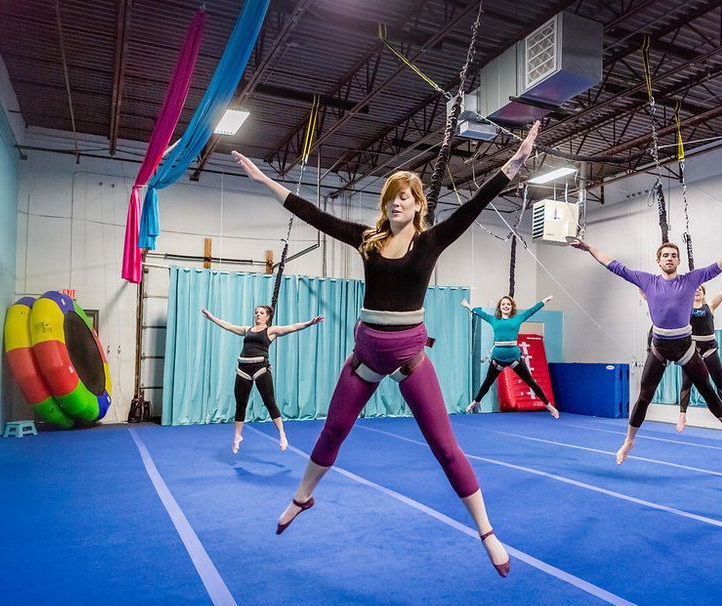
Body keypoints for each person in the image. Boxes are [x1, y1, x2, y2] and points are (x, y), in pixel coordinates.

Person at [231, 120, 540, 577]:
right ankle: (302, 497)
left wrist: (514, 163)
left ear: (418, 206)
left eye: (406, 196)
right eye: (392, 195)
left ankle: (487, 532)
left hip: (409, 357)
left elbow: (477, 203)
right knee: (333, 431)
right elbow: (313, 214)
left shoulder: (432, 240)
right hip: (366, 358)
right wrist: (264, 181)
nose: (397, 201)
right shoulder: (367, 241)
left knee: (444, 446)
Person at [569, 228, 722, 463]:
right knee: (644, 396)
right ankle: (629, 440)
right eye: (665, 255)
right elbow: (612, 264)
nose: (669, 258)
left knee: (707, 389)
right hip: (659, 346)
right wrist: (588, 248)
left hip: (685, 345)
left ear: (678, 260)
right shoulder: (646, 280)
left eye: (673, 255)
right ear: (658, 261)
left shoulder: (692, 279)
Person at [202, 305, 324, 453]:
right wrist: (211, 317)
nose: (257, 315)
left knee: (269, 402)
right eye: (256, 313)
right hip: (243, 369)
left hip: (260, 368)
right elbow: (228, 326)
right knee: (241, 404)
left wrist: (309, 323)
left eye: (261, 313)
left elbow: (292, 327)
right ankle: (237, 437)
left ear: (267, 317)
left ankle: (282, 434)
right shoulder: (247, 330)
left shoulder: (271, 331)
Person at [461, 295, 559, 418]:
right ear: (500, 307)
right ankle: (476, 401)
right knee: (487, 382)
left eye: (508, 304)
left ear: (511, 307)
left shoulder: (518, 319)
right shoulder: (494, 320)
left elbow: (531, 311)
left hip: (515, 359)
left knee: (531, 382)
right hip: (497, 359)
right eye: (503, 304)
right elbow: (479, 313)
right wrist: (469, 306)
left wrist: (544, 301)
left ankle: (549, 406)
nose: (506, 306)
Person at [676, 271, 722, 433]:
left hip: (709, 347)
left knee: (719, 381)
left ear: (703, 294)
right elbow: (665, 306)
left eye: (700, 290)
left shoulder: (710, 305)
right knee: (686, 383)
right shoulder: (685, 307)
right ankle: (682, 415)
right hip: (692, 349)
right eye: (695, 289)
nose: (697, 290)